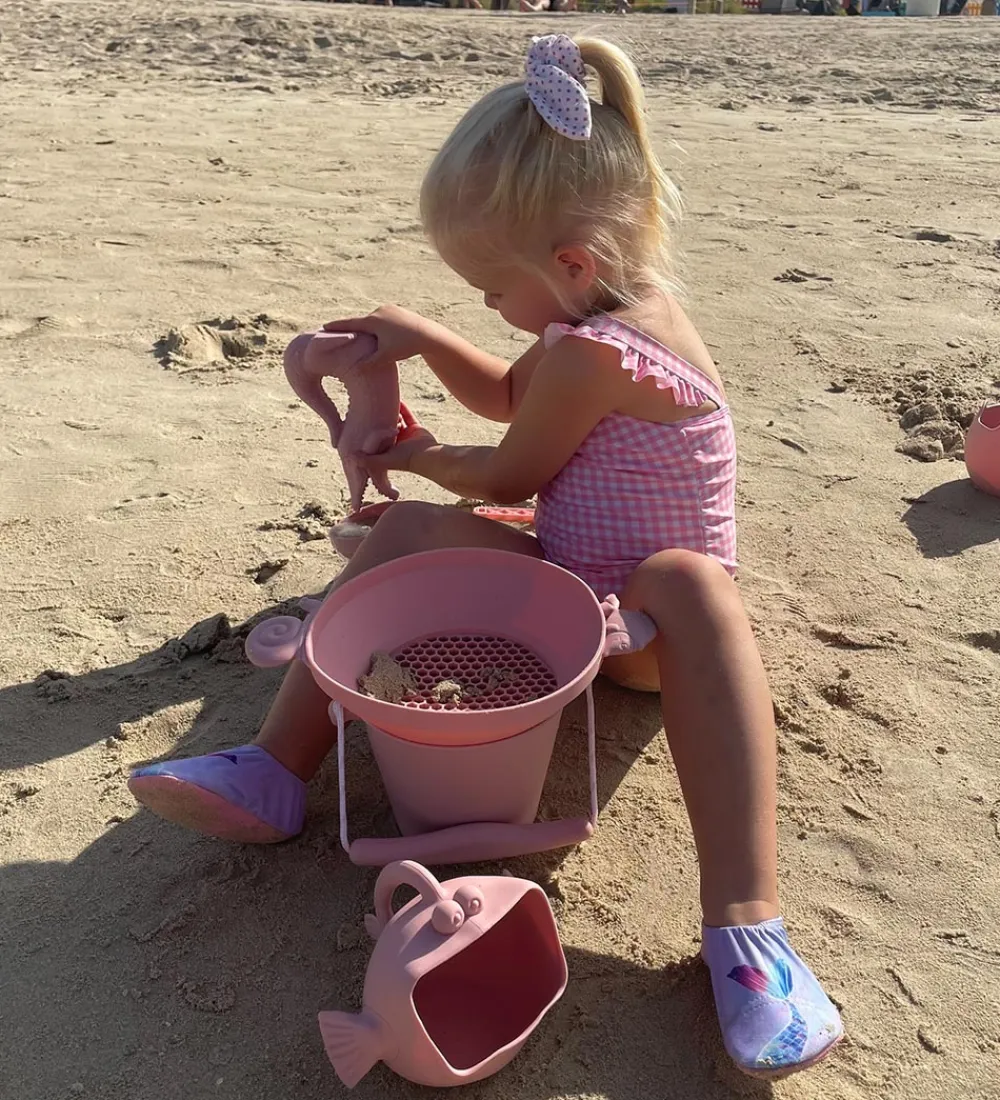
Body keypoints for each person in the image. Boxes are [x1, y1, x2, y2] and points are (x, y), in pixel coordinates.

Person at [129, 34, 843, 1079]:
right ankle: (275, 768)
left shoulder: (602, 352)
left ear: (570, 265)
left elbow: (509, 466)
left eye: (491, 292)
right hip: (567, 579)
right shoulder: (593, 316)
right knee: (409, 532)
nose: (491, 310)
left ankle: (748, 928)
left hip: (642, 635)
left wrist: (414, 451)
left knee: (688, 580)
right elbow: (512, 395)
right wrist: (423, 338)